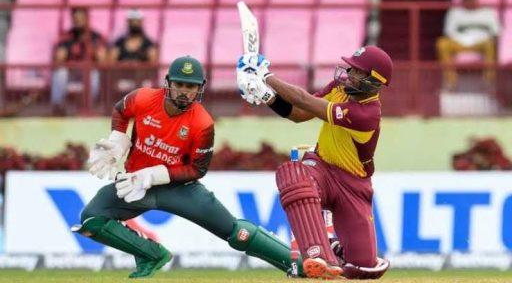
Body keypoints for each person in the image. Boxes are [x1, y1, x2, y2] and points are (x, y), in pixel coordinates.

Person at [72, 55, 304, 278]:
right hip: (134, 184)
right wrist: (117, 139)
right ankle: (151, 255)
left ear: (199, 88)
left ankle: (300, 266)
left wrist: (154, 175)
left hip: (179, 189)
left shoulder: (202, 123)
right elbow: (120, 110)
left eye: (191, 86)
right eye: (179, 84)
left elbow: (197, 170)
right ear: (168, 84)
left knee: (237, 234)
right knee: (92, 219)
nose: (184, 91)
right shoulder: (142, 98)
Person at [236, 46, 392, 279]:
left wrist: (266, 76)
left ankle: (332, 247)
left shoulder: (367, 114)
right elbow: (299, 113)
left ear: (374, 81)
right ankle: (318, 255)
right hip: (322, 167)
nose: (350, 74)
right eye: (352, 69)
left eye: (358, 72)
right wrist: (267, 96)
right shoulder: (340, 88)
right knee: (294, 176)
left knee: (363, 269)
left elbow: (304, 100)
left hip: (354, 185)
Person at [436, 0, 500, 91]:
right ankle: (451, 81)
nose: (470, 2)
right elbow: (448, 31)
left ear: (476, 0)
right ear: (463, 1)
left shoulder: (488, 12)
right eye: (467, 0)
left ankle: (489, 82)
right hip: (460, 42)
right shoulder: (454, 12)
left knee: (490, 45)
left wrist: (488, 38)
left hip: (481, 42)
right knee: (442, 43)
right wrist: (459, 39)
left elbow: (496, 31)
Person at [51, 7, 107, 115]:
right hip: (71, 72)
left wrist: (96, 53)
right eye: (75, 18)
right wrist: (61, 56)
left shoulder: (95, 37)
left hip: (88, 72)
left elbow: (103, 61)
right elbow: (58, 60)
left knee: (94, 74)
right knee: (60, 73)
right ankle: (58, 107)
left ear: (86, 18)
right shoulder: (67, 37)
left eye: (81, 18)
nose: (78, 21)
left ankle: (90, 107)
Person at [109, 9, 158, 93]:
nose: (135, 23)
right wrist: (124, 65)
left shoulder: (149, 43)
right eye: (132, 21)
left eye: (137, 21)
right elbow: (110, 62)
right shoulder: (119, 42)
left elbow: (153, 64)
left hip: (141, 78)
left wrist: (138, 66)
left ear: (141, 22)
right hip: (123, 75)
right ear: (128, 22)